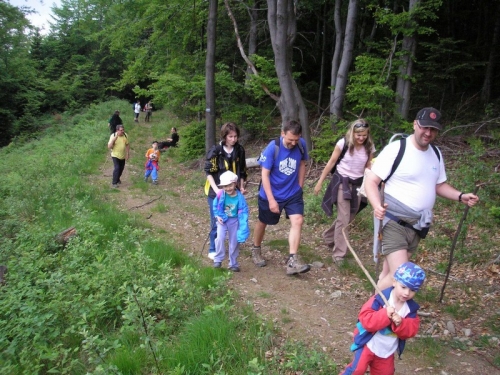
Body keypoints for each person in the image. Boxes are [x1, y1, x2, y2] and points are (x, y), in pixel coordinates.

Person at [364, 107, 479, 290]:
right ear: (415, 124)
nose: (428, 133)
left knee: (388, 274)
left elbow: (439, 185)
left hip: (417, 224)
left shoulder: (436, 154)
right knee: (400, 275)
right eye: (425, 127)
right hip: (394, 220)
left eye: (433, 129)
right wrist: (376, 205)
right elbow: (371, 181)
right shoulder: (397, 149)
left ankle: (381, 312)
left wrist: (460, 196)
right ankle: (371, 313)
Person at [341, 262, 426, 375]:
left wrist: (401, 323)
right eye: (404, 287)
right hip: (368, 344)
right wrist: (384, 314)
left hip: (386, 351)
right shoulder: (380, 299)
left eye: (412, 290)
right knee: (357, 370)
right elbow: (365, 320)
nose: (407, 293)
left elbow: (411, 331)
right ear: (395, 281)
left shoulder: (410, 310)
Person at [314, 119, 375, 264]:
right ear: (352, 133)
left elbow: (368, 166)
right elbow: (331, 162)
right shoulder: (343, 144)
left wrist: (371, 184)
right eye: (358, 135)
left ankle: (329, 237)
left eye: (364, 135)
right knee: (344, 217)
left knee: (350, 217)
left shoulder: (369, 147)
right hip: (342, 182)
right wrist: (320, 182)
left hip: (358, 184)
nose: (361, 138)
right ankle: (339, 254)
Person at [253, 120, 310, 275]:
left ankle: (292, 261)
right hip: (271, 192)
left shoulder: (301, 144)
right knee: (263, 221)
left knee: (298, 220)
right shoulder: (273, 148)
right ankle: (256, 248)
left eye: (296, 140)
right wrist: (271, 200)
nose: (293, 143)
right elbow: (264, 175)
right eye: (290, 139)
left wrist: (300, 186)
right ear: (282, 133)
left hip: (292, 192)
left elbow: (302, 164)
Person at [204, 122, 247, 260]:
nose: (233, 139)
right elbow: (209, 172)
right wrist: (217, 190)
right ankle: (213, 248)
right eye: (230, 136)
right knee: (217, 219)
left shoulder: (239, 150)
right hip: (215, 191)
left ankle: (232, 246)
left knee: (234, 218)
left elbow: (242, 170)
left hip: (233, 192)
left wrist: (241, 186)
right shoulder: (216, 151)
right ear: (224, 136)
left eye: (235, 136)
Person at [212, 171, 250, 272]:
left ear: (235, 184)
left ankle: (233, 263)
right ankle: (218, 259)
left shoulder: (240, 197)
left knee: (234, 242)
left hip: (234, 220)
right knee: (220, 238)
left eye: (230, 185)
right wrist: (217, 216)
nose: (228, 188)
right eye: (225, 186)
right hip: (222, 220)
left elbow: (243, 211)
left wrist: (243, 226)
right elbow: (215, 206)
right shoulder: (221, 194)